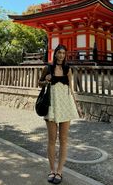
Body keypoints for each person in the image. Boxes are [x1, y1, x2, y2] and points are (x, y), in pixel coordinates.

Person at [39, 44, 81, 184]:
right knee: (52, 139)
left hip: (65, 105)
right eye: (59, 52)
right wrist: (46, 80)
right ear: (55, 54)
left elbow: (71, 89)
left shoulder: (68, 69)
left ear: (65, 55)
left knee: (63, 139)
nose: (61, 55)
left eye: (63, 53)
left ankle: (59, 171)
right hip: (52, 105)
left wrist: (76, 105)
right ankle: (52, 170)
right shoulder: (48, 68)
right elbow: (39, 83)